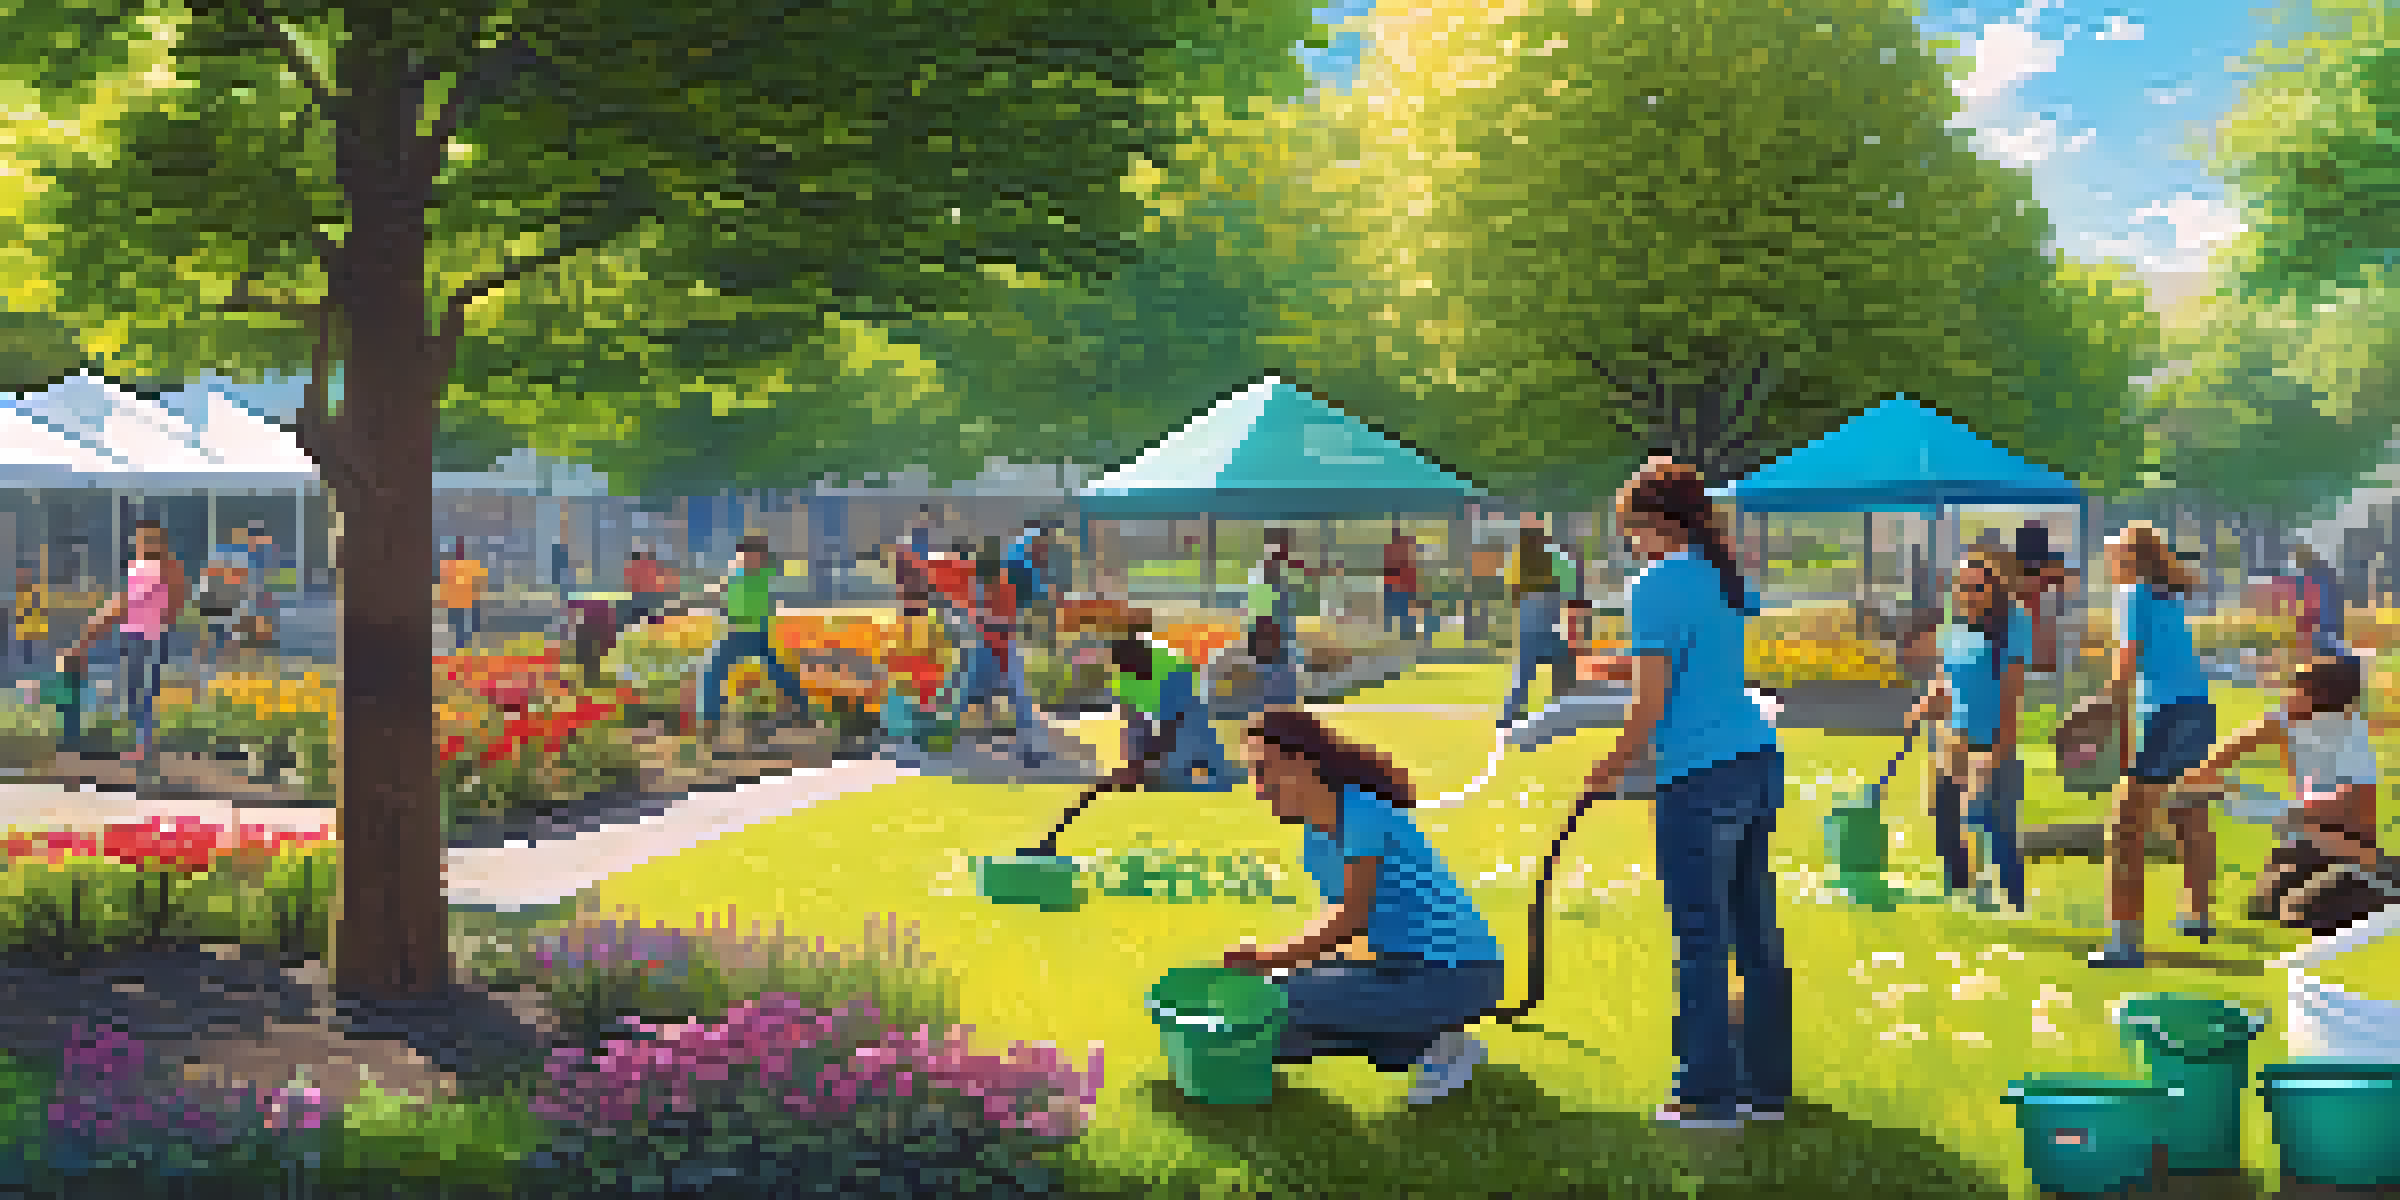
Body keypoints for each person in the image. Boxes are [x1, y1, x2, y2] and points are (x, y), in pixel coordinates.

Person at [1580, 457, 1785, 1129]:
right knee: (1753, 931)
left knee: (1700, 938)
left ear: (1656, 523)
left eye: (1632, 529)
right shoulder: (1723, 575)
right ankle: (1764, 1090)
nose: (1630, 542)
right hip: (1754, 760)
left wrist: (1608, 765)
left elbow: (1649, 707)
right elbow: (1703, 658)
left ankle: (1706, 1096)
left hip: (1700, 775)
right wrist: (1626, 660)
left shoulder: (1655, 584)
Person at [1222, 708, 1504, 1105]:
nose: (1258, 786)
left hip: (1456, 973)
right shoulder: (1314, 839)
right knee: (1274, 1034)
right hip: (1398, 967)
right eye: (1253, 773)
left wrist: (1269, 960)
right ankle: (1417, 1043)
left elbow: (1350, 917)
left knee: (1276, 999)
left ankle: (1432, 1043)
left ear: (1303, 764)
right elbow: (1352, 934)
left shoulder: (1361, 813)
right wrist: (1305, 972)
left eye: (1264, 770)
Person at [2091, 521, 2218, 968]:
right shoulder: (2166, 595)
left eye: (2112, 554)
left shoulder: (2132, 594)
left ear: (2126, 558)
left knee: (2125, 829)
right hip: (2199, 708)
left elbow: (2126, 666)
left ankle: (2124, 944)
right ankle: (2198, 916)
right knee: (2190, 813)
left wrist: (2105, 715)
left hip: (2163, 713)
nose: (2107, 561)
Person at [2178, 654, 2379, 918]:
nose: (2288, 694)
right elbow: (2245, 740)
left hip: (2346, 848)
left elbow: (2359, 806)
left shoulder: (2352, 736)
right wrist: (2206, 772)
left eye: (2299, 688)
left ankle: (2379, 884)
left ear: (2322, 700)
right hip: (2305, 842)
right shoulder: (2292, 719)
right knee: (2261, 909)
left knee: (2294, 912)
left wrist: (2284, 811)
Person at [1901, 548, 2030, 911]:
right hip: (1954, 738)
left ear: (1993, 588)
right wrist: (1925, 705)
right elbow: (1946, 679)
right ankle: (1960, 892)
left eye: (1977, 587)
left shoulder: (2012, 625)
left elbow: (2011, 693)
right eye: (1963, 586)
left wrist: (1997, 752)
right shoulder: (1955, 627)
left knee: (1994, 823)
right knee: (1944, 813)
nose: (1969, 594)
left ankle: (2012, 900)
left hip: (1991, 738)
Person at [61, 518, 187, 765]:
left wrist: (89, 635)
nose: (145, 544)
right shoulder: (143, 567)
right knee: (134, 690)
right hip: (134, 634)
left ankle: (138, 747)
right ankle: (132, 743)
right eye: (142, 539)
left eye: (151, 539)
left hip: (147, 636)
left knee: (140, 691)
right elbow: (126, 604)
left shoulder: (160, 568)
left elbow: (124, 604)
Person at [695, 534, 811, 741]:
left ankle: (802, 710)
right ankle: (710, 721)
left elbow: (780, 566)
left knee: (775, 672)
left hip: (751, 635)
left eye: (751, 554)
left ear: (761, 557)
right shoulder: (737, 573)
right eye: (743, 554)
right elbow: (720, 591)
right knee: (713, 670)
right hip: (739, 635)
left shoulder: (764, 573)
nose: (746, 558)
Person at [1111, 632, 1235, 790]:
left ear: (1144, 654)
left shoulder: (1168, 662)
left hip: (1190, 717)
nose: (1132, 669)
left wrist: (1160, 743)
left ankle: (1220, 781)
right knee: (1164, 777)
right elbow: (1133, 722)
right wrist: (1135, 761)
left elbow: (1183, 708)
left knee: (1212, 765)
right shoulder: (1124, 681)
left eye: (1133, 663)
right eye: (1126, 667)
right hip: (1160, 721)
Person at [1497, 512, 1579, 729]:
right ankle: (1559, 709)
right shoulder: (1551, 553)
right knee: (1560, 660)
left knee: (1536, 664)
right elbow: (1569, 579)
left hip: (1528, 611)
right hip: (1544, 609)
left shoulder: (1518, 555)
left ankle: (1512, 713)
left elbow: (1511, 586)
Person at [194, 547, 248, 670]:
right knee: (216, 641)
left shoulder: (230, 582)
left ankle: (226, 664)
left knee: (226, 641)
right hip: (216, 613)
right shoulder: (212, 579)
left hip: (224, 613)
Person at [2291, 544, 2348, 660]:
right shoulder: (2325, 572)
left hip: (2323, 618)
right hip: (2329, 618)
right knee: (2332, 641)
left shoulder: (2316, 575)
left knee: (2327, 642)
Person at [440, 538, 490, 652]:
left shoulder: (448, 565)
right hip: (466, 603)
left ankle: (463, 649)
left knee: (463, 630)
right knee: (466, 630)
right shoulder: (466, 564)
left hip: (461, 603)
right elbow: (483, 579)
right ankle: (464, 649)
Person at [1382, 525, 1424, 644]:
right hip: (1399, 585)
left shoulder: (1392, 548)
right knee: (1400, 611)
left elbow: (1391, 567)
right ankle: (1403, 635)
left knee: (1396, 611)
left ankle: (1397, 634)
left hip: (1395, 584)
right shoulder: (1403, 548)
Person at [11, 565, 44, 675]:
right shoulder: (22, 591)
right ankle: (29, 673)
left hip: (34, 628)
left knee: (33, 655)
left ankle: (32, 673)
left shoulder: (34, 590)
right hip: (27, 629)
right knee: (28, 655)